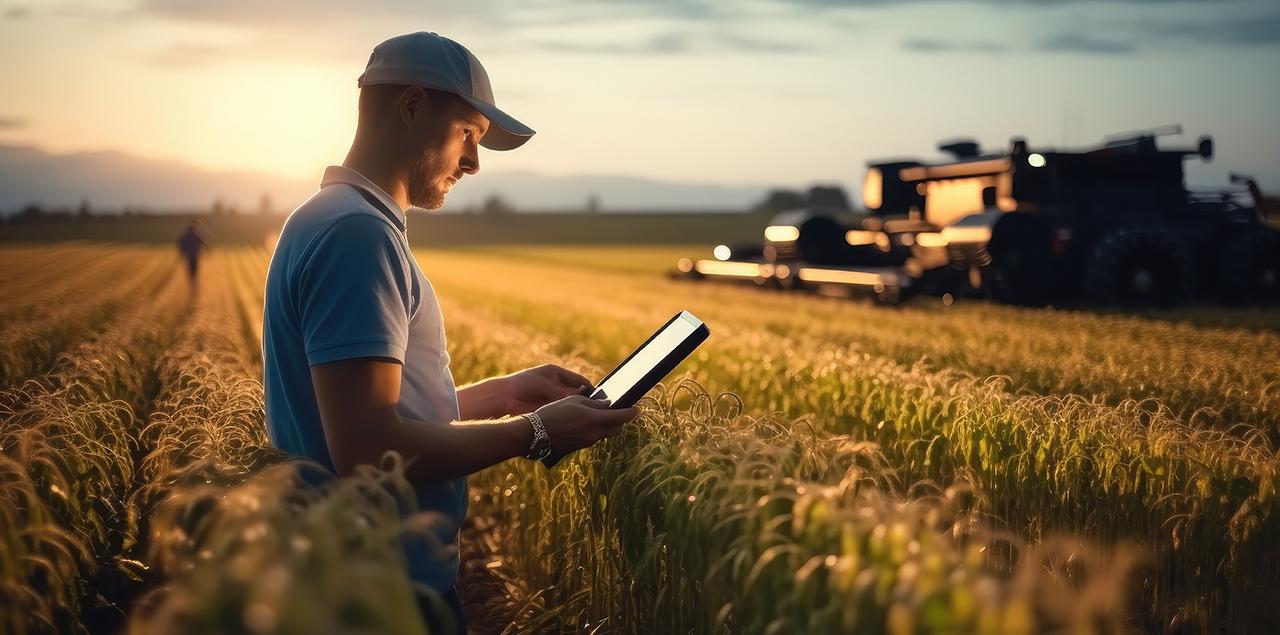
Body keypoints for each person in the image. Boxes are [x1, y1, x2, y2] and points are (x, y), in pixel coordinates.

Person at [260, 32, 637, 633]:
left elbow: (356, 419)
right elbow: (365, 451)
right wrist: (533, 432)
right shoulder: (358, 237)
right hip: (379, 596)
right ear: (412, 106)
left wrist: (500, 396)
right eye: (469, 134)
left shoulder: (327, 217)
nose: (473, 163)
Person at [176, 220, 208, 284]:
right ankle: (194, 277)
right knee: (194, 266)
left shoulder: (184, 236)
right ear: (193, 229)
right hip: (195, 254)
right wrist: (206, 248)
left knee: (190, 266)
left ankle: (191, 277)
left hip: (188, 254)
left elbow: (181, 244)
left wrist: (181, 253)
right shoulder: (196, 236)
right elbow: (202, 242)